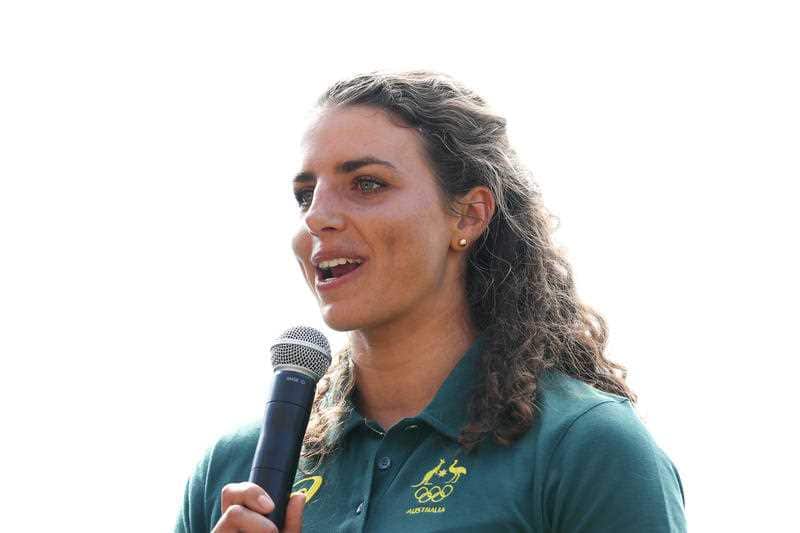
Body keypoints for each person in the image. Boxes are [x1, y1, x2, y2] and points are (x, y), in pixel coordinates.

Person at [175, 71, 687, 532]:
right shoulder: (232, 470)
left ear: (467, 216)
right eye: (305, 194)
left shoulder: (584, 447)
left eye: (367, 184)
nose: (317, 217)